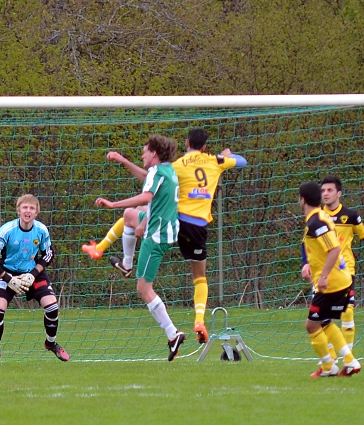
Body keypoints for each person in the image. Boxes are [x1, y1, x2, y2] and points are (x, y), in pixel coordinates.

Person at [83, 128, 246, 345]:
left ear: (186, 143)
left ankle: (114, 256)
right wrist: (225, 156)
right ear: (205, 146)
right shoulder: (215, 162)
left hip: (175, 222)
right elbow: (242, 161)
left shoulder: (177, 165)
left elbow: (150, 183)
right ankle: (199, 320)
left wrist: (139, 216)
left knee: (133, 218)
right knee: (200, 277)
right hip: (197, 227)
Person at [89, 135, 187, 361]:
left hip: (157, 236)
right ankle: (126, 264)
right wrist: (123, 161)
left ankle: (172, 334)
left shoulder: (158, 173)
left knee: (143, 289)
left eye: (144, 152)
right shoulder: (167, 170)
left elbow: (147, 194)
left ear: (154, 153)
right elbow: (146, 178)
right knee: (130, 216)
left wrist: (113, 203)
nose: (142, 155)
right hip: (164, 227)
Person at [0, 194, 69, 366]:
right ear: (19, 210)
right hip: (8, 274)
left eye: (31, 208)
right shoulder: (7, 230)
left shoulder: (41, 230)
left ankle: (50, 343)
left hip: (31, 273)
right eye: (24, 207)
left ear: (36, 212)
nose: (27, 211)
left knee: (52, 307)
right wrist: (8, 279)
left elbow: (49, 254)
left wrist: (33, 274)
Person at [306, 175, 364, 368]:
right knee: (324, 318)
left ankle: (346, 356)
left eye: (329, 190)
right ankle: (336, 357)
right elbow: (305, 245)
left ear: (339, 193)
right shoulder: (318, 216)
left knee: (346, 312)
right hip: (322, 272)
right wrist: (305, 263)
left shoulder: (350, 215)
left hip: (345, 270)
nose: (326, 194)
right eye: (323, 190)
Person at [297, 181, 362, 378]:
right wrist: (310, 265)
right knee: (324, 321)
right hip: (339, 279)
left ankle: (328, 366)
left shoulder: (316, 222)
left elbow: (334, 249)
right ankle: (349, 361)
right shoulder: (320, 217)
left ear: (302, 200)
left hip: (332, 282)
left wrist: (323, 276)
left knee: (311, 325)